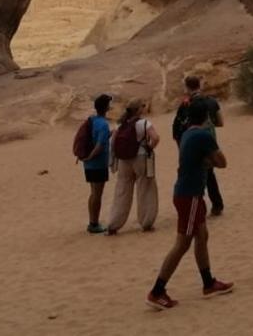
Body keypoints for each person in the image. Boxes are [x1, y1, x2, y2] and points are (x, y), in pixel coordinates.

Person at [146, 102, 233, 311]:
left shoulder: (187, 134)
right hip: (190, 195)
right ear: (206, 117)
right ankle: (157, 291)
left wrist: (205, 161)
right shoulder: (203, 136)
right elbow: (222, 162)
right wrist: (208, 161)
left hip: (187, 193)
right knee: (182, 243)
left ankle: (208, 283)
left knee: (202, 236)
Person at [107, 99, 159, 234]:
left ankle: (114, 223)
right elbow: (155, 138)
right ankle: (146, 222)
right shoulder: (144, 123)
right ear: (138, 110)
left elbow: (113, 142)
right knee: (146, 188)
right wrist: (149, 148)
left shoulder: (121, 125)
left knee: (122, 190)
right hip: (141, 157)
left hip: (124, 160)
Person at [177, 76, 225, 216]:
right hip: (210, 141)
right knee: (209, 173)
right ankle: (217, 204)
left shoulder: (186, 104)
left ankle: (202, 206)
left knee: (197, 174)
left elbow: (178, 128)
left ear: (187, 87)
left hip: (191, 141)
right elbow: (221, 122)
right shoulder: (211, 101)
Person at [82, 93, 112, 233]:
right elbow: (99, 145)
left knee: (93, 192)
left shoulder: (92, 120)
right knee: (97, 194)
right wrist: (90, 156)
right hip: (97, 164)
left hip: (89, 164)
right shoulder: (103, 124)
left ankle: (92, 221)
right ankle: (94, 223)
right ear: (106, 107)